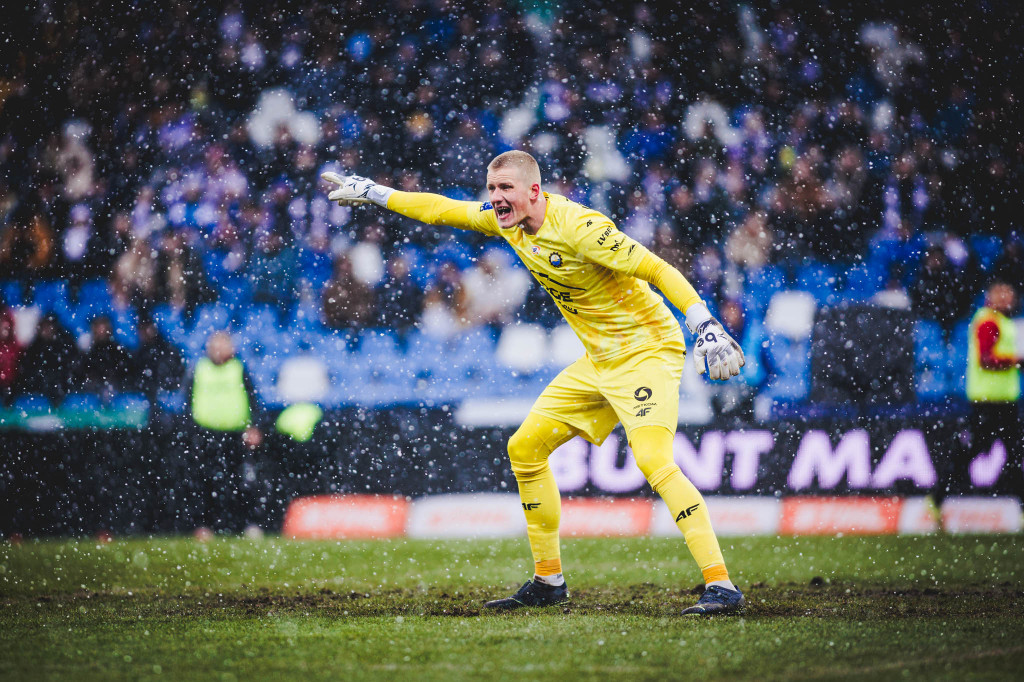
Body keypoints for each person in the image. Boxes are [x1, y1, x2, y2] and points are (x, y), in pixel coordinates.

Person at [322, 150, 747, 615]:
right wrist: (376, 194)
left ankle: (721, 586)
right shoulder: (506, 223)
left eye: (507, 189)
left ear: (534, 191)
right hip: (599, 360)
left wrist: (704, 324)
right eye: (492, 189)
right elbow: (441, 209)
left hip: (647, 351)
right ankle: (549, 581)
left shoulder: (583, 228)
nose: (497, 198)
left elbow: (657, 269)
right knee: (524, 448)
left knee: (652, 460)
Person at [943, 281, 1023, 505]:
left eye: (1010, 294)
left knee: (1011, 453)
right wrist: (1015, 361)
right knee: (979, 451)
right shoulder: (988, 321)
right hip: (989, 400)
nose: (1008, 299)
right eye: (1003, 293)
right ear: (991, 296)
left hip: (1003, 399)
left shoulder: (1002, 322)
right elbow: (986, 360)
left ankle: (939, 497)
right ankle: (939, 496)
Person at [185, 331, 265, 533]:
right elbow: (187, 401)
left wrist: (254, 426)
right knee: (205, 482)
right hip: (205, 434)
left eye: (223, 345)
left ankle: (246, 524)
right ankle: (204, 526)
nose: (219, 350)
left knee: (241, 482)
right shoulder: (199, 369)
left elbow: (254, 399)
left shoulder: (239, 369)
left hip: (235, 434)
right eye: (215, 345)